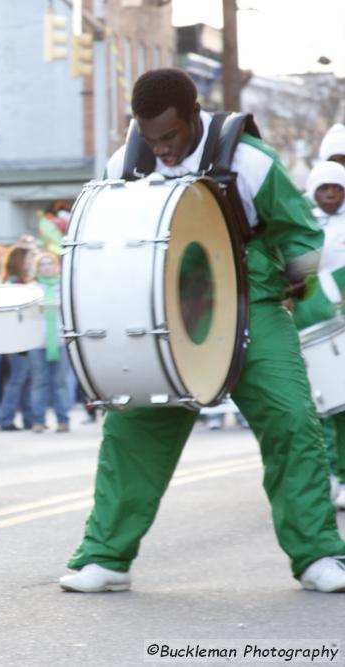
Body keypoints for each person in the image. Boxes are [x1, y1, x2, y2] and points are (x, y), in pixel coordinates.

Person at [59, 68, 345, 594]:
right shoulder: (123, 164)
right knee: (133, 425)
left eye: (170, 136)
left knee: (291, 419)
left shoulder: (251, 160)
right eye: (151, 138)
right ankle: (106, 557)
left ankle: (317, 555)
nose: (162, 149)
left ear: (195, 114)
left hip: (249, 303)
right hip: (164, 313)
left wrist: (289, 287)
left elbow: (303, 237)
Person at [292, 160, 345, 511]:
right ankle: (328, 475)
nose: (329, 195)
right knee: (319, 406)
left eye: (336, 188)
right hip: (309, 321)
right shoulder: (300, 222)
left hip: (340, 319)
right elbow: (294, 272)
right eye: (322, 189)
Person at [0, 244, 36, 431]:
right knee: (18, 379)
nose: (30, 263)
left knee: (24, 379)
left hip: (22, 338)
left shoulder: (18, 282)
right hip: (18, 339)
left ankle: (27, 418)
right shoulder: (15, 284)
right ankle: (6, 419)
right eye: (28, 259)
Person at [27, 252, 71, 433]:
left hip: (61, 341)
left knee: (60, 382)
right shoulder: (31, 289)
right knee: (39, 382)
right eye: (42, 264)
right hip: (37, 342)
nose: (46, 267)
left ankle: (63, 420)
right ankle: (38, 420)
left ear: (56, 266)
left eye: (49, 263)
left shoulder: (64, 286)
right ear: (37, 268)